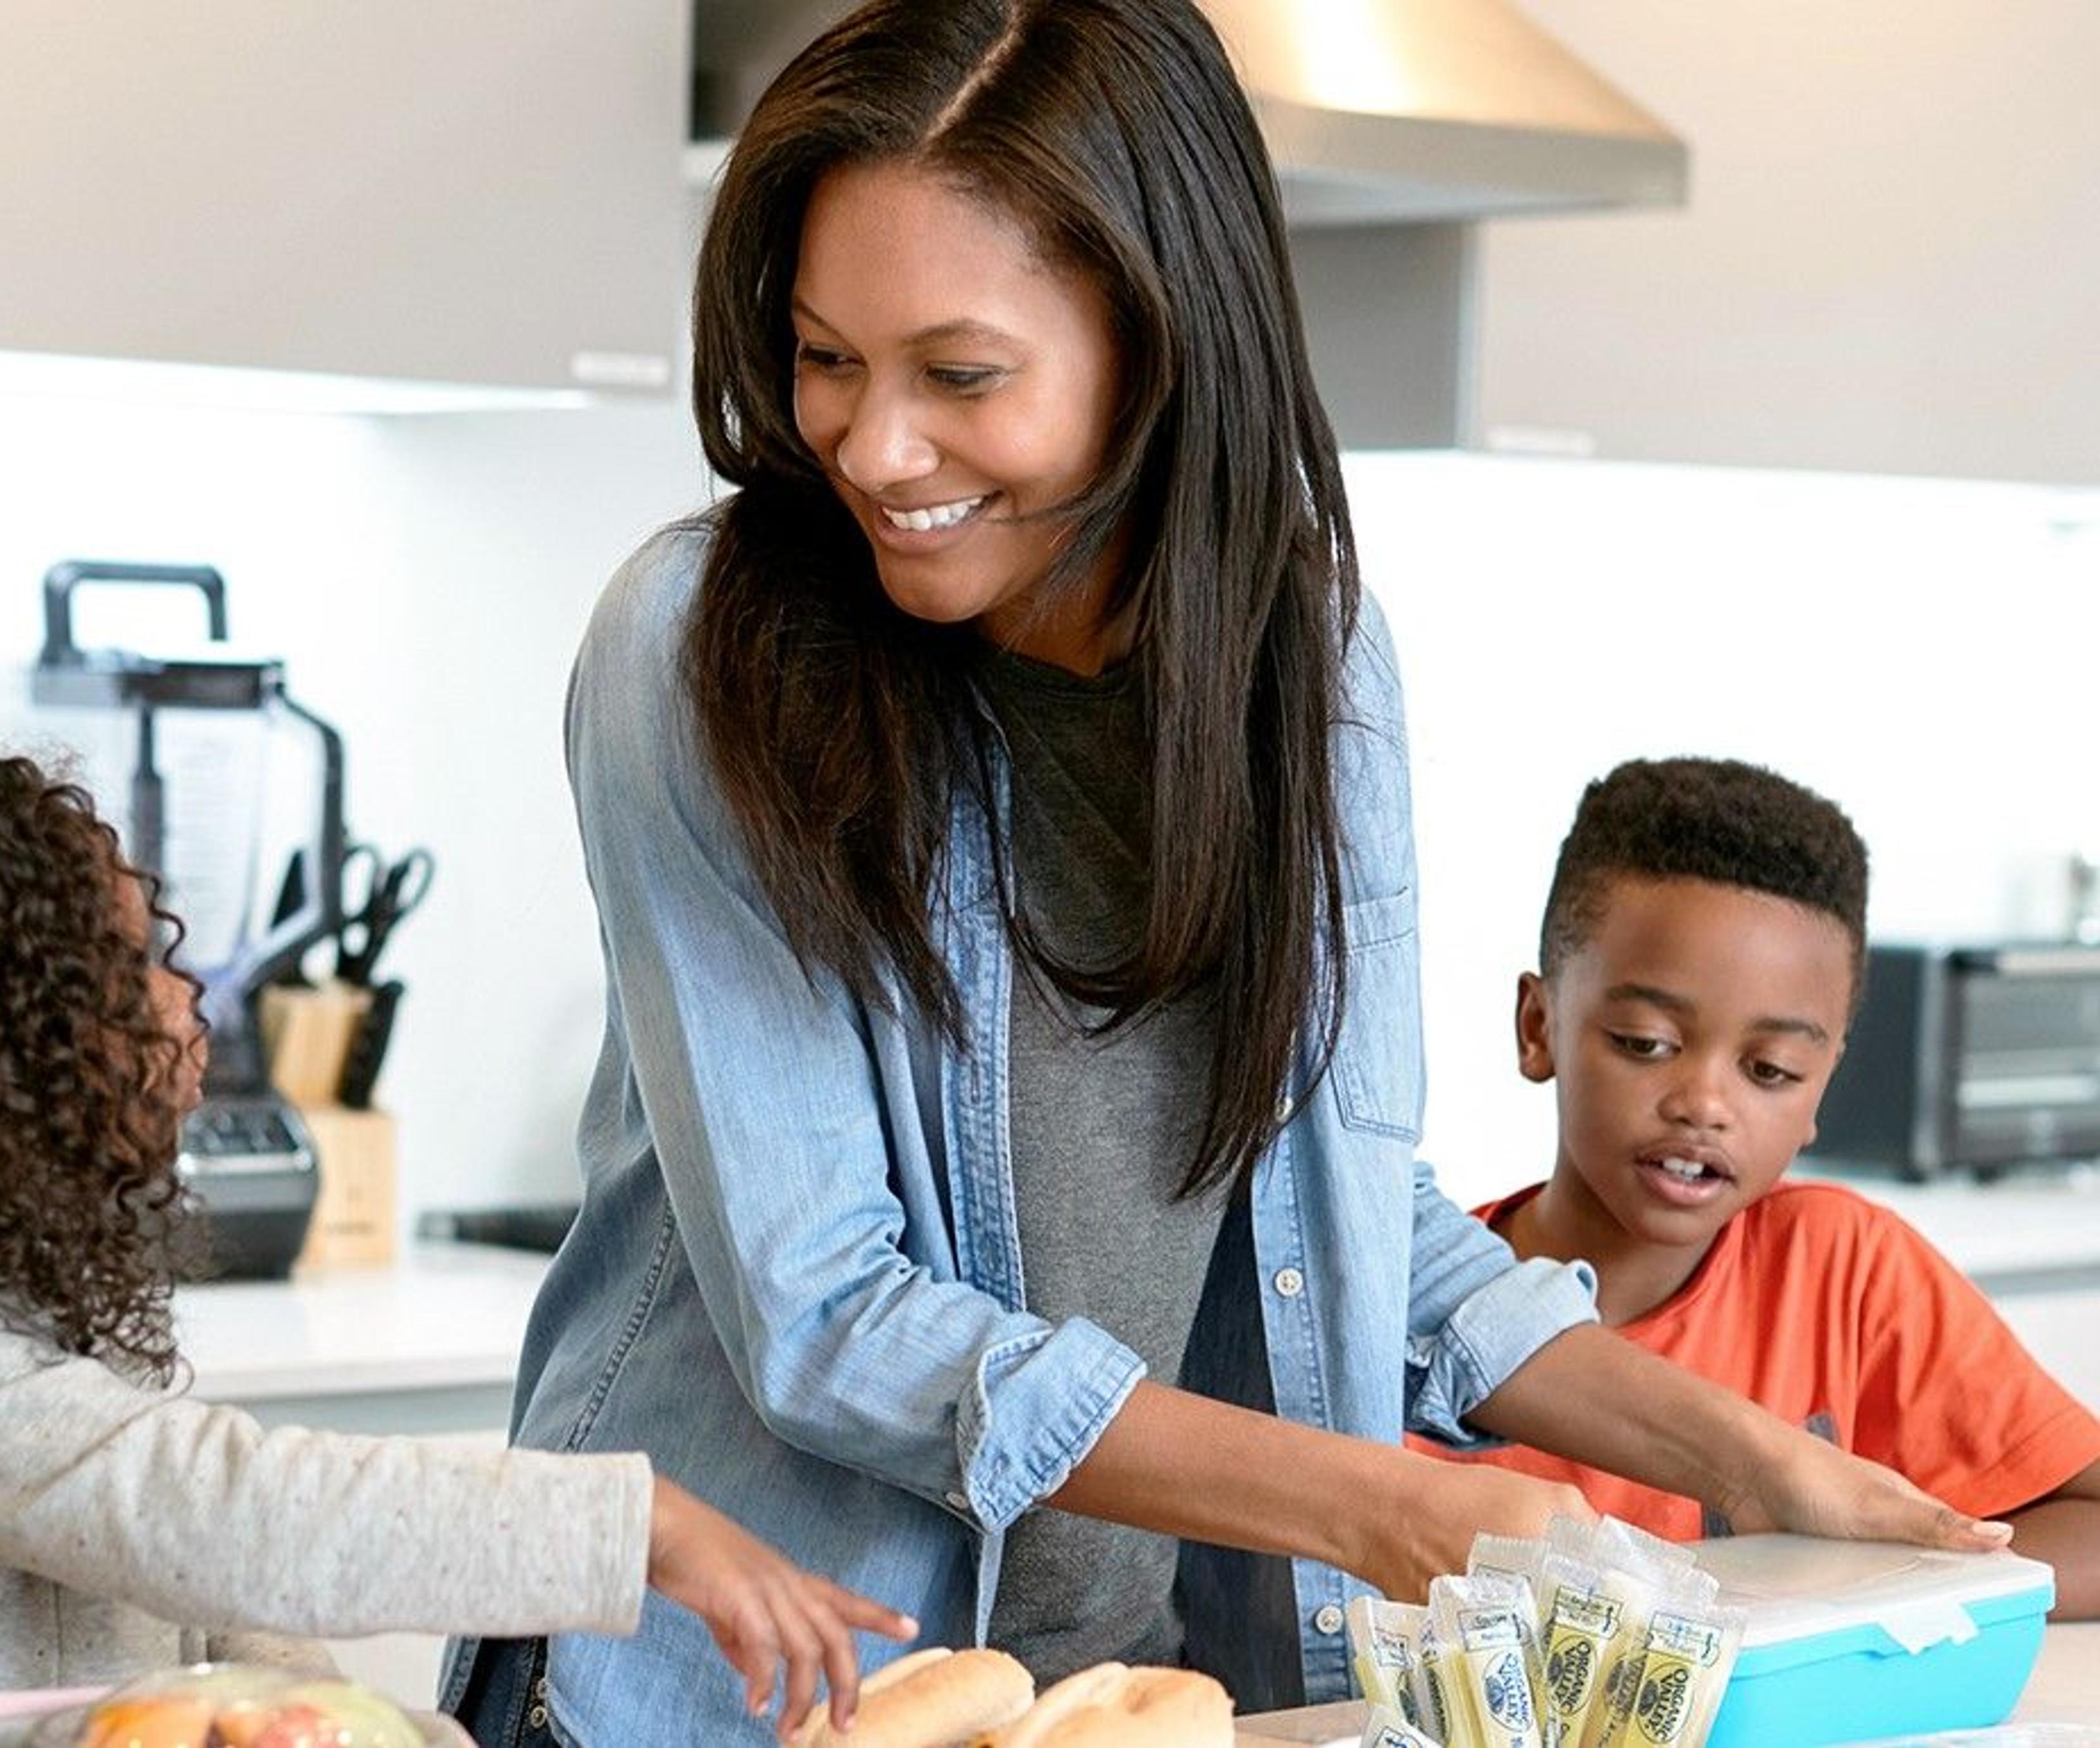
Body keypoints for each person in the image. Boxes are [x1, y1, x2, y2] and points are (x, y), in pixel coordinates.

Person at [444, 3, 2010, 1741]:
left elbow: (1345, 1202)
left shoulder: (1307, 661)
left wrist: (1751, 1456)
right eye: (827, 359)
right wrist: (1382, 1503)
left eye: (960, 375)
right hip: (729, 1696)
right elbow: (831, 1315)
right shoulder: (700, 649)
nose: (876, 448)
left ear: (1160, 339)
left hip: (1127, 1691)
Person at [0, 747, 911, 1737]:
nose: (185, 992)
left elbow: (193, 1601)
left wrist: (345, 1716)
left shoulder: (14, 1313)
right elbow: (219, 1518)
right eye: (128, 959)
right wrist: (648, 1529)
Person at [1416, 756, 2100, 1615]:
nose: (1704, 1103)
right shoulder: (1413, 1331)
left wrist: (1864, 1597)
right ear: (1537, 1025)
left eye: (1770, 1069)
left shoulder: (1848, 1272)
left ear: (1823, 1087)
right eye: (1644, 1040)